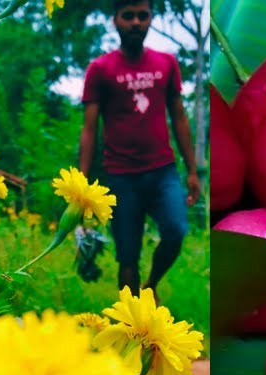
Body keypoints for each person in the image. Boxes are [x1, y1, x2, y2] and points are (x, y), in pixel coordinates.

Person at [79, 0, 200, 296]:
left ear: (150, 19)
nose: (136, 22)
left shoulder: (166, 64)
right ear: (115, 21)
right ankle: (130, 321)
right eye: (128, 16)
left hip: (162, 171)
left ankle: (152, 285)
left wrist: (194, 170)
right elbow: (89, 129)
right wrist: (82, 183)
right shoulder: (100, 69)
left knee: (175, 231)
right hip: (121, 175)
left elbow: (180, 117)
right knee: (127, 256)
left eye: (142, 16)